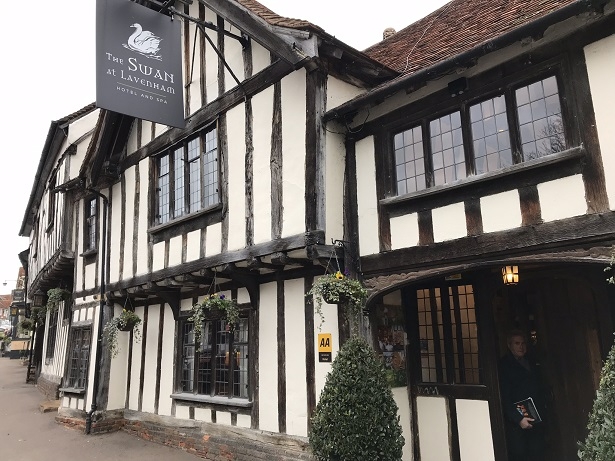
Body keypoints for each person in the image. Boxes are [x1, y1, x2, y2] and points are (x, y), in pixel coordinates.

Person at [498, 329, 546, 461]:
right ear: (509, 345)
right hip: (516, 420)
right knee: (520, 454)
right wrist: (518, 419)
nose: (521, 346)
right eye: (517, 343)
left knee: (537, 451)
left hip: (535, 414)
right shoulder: (504, 365)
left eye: (523, 343)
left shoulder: (531, 361)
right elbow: (504, 397)